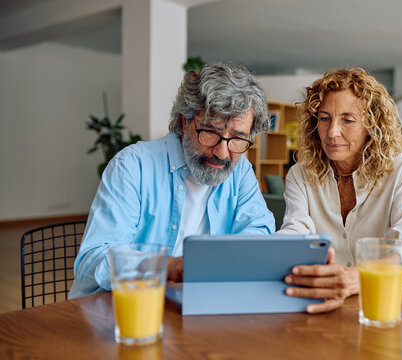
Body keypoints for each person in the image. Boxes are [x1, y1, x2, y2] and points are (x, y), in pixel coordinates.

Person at [69, 63, 275, 298]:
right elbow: (93, 260)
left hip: (195, 307)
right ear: (185, 122)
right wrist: (167, 268)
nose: (222, 152)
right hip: (117, 310)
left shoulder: (240, 170)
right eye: (210, 132)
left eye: (238, 138)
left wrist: (227, 258)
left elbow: (259, 231)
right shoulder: (133, 166)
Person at [278, 68, 402, 313]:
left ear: (372, 124)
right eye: (324, 118)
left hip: (384, 306)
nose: (332, 132)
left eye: (347, 120)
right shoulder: (300, 174)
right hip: (322, 305)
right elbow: (296, 231)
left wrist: (353, 279)